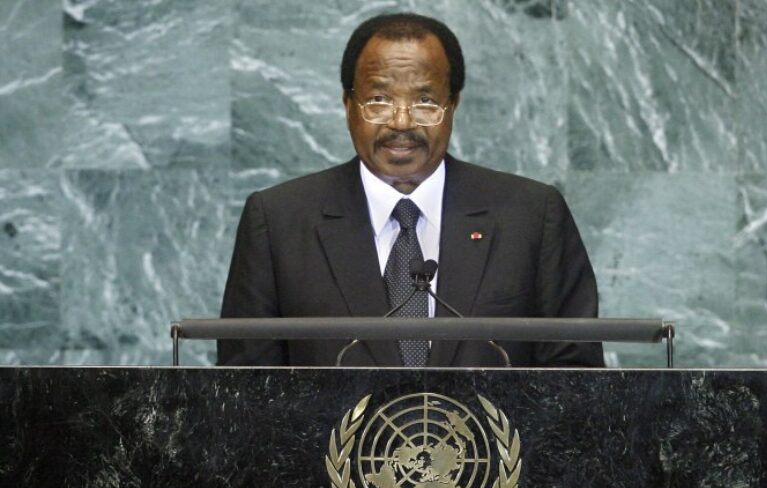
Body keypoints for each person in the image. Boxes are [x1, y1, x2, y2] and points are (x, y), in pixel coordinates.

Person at [218, 13, 604, 368]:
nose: (401, 122)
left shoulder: (531, 216)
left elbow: (576, 380)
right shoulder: (278, 221)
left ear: (453, 105)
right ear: (348, 105)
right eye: (379, 99)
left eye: (425, 101)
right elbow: (243, 388)